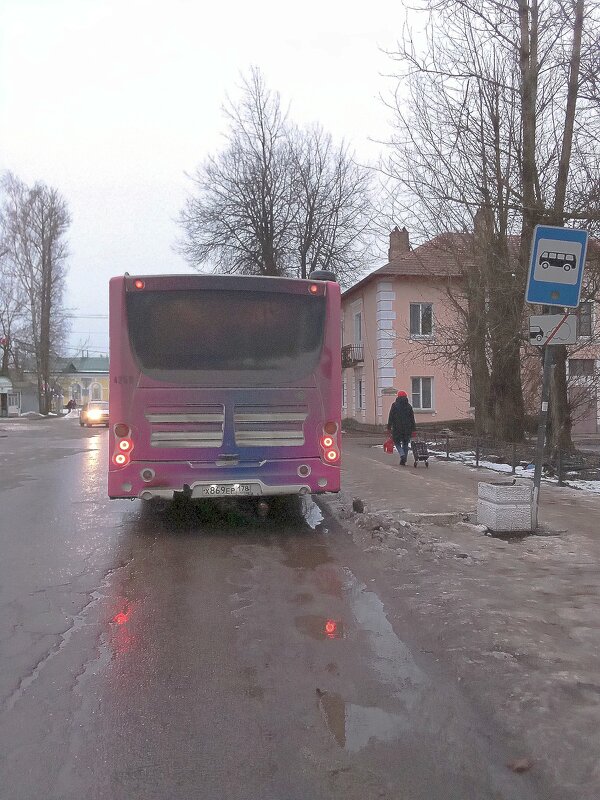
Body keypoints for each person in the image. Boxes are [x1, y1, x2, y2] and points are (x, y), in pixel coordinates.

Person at [387, 390, 416, 466]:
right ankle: (404, 459)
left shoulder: (394, 405)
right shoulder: (409, 406)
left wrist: (389, 427)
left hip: (397, 428)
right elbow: (412, 419)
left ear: (398, 397)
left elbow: (391, 417)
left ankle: (402, 454)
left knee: (396, 442)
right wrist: (414, 429)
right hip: (407, 428)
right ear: (406, 397)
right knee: (405, 443)